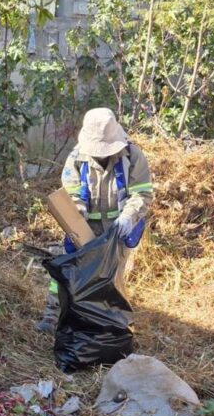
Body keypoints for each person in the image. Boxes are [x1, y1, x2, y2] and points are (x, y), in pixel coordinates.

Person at [36, 108, 153, 333]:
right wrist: (76, 212)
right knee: (68, 268)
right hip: (84, 225)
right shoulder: (77, 158)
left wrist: (128, 217)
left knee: (111, 278)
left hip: (119, 226)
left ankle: (112, 326)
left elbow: (142, 194)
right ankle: (52, 316)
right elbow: (71, 192)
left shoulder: (132, 156)